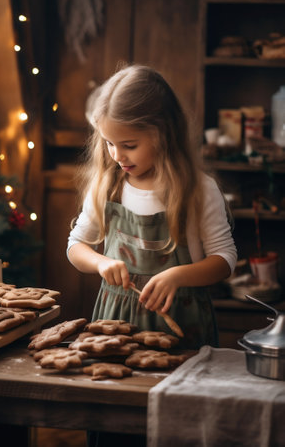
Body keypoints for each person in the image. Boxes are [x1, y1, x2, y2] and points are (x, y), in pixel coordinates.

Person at [67, 64, 237, 349]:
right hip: (115, 328)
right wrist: (101, 263)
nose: (117, 155)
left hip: (184, 327)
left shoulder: (197, 189)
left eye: (129, 145)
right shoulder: (108, 186)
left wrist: (178, 275)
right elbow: (75, 246)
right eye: (109, 143)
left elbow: (225, 259)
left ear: (164, 134)